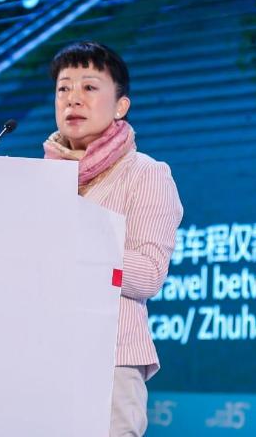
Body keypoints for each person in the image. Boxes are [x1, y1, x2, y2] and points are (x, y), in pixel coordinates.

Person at [43, 40, 184, 437]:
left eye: (89, 87)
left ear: (121, 105)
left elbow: (148, 275)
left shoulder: (146, 174)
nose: (73, 98)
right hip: (39, 356)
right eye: (63, 88)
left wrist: (78, 238)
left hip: (110, 359)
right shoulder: (39, 181)